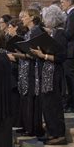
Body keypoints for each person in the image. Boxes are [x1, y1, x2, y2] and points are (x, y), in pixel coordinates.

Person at [30, 5, 68, 145]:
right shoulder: (52, 33)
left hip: (54, 74)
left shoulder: (60, 34)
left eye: (45, 18)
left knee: (54, 105)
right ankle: (51, 132)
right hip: (46, 74)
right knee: (46, 104)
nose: (44, 21)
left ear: (52, 18)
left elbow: (61, 56)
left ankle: (59, 134)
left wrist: (43, 55)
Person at [15, 9, 44, 137]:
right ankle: (26, 125)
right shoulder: (29, 32)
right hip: (25, 68)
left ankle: (32, 128)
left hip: (32, 69)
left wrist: (20, 54)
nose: (22, 19)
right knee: (25, 99)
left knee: (31, 99)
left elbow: (36, 52)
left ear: (32, 18)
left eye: (25, 16)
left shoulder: (36, 31)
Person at [60, 0, 74, 113]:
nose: (61, 5)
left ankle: (73, 105)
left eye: (62, 2)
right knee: (67, 79)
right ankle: (68, 103)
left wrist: (58, 31)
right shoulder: (70, 15)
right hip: (67, 51)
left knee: (71, 79)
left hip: (70, 51)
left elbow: (68, 34)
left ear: (69, 2)